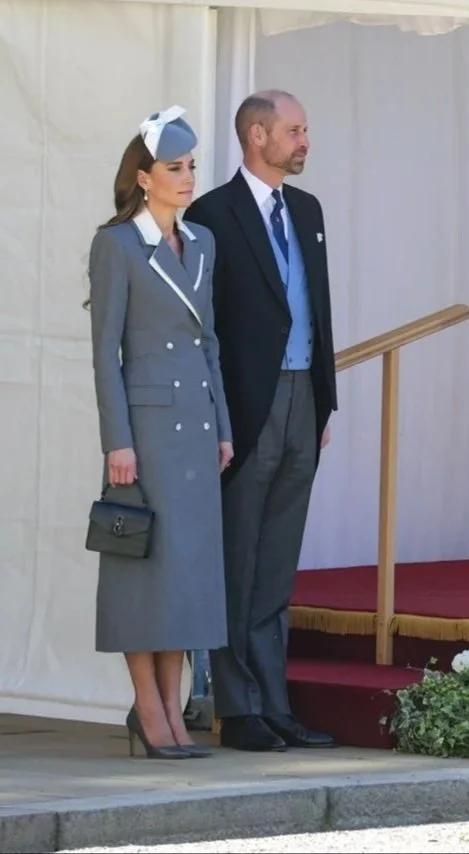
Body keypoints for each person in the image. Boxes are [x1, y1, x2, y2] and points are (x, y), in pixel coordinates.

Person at [184, 91, 338, 751]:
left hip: (304, 396)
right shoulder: (211, 214)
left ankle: (275, 704)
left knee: (278, 559)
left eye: (305, 130)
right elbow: (205, 326)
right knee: (239, 554)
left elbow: (319, 308)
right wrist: (217, 415)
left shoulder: (307, 210)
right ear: (256, 135)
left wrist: (324, 399)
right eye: (295, 130)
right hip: (247, 403)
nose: (305, 141)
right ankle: (238, 706)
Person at [88, 108, 233, 759]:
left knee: (183, 580)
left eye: (191, 166)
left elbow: (210, 346)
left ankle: (171, 715)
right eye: (175, 168)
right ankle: (150, 712)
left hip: (197, 434)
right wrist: (117, 441)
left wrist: (224, 427)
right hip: (144, 435)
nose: (187, 177)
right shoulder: (117, 245)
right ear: (144, 178)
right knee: (142, 578)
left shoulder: (201, 242)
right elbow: (105, 352)